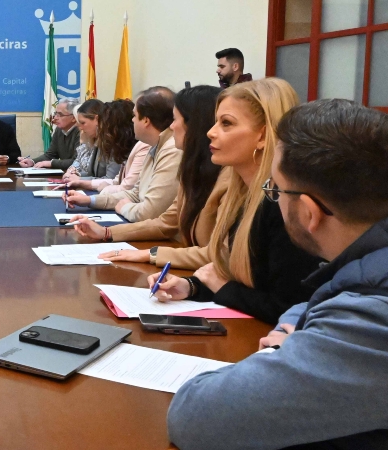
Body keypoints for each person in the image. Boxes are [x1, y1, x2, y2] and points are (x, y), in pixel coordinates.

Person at [169, 99, 388, 450]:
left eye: (277, 190)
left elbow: (195, 418)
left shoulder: (372, 322)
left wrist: (275, 353)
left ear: (309, 212)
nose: (274, 198)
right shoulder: (368, 264)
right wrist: (295, 325)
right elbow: (319, 295)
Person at [147, 78, 323, 324]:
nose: (210, 131)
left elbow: (288, 307)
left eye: (226, 123)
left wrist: (222, 287)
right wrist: (190, 287)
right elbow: (238, 277)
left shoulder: (282, 204)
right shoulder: (242, 193)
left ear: (263, 136)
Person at [72, 85, 228, 270]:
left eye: (226, 123)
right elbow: (167, 222)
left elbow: (220, 255)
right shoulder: (191, 166)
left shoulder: (180, 154)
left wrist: (150, 253)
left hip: (197, 269)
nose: (171, 126)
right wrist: (106, 232)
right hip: (190, 266)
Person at [66, 87, 182, 223]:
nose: (132, 120)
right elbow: (134, 194)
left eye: (134, 116)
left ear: (146, 120)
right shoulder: (154, 145)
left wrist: (124, 208)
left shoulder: (171, 150)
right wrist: (89, 200)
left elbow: (149, 212)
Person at [62, 99, 140, 192]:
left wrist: (80, 180)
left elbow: (113, 181)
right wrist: (75, 176)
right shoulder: (101, 141)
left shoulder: (122, 145)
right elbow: (91, 173)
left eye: (104, 122)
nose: (101, 126)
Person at [18, 98, 80, 169]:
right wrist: (32, 162)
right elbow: (50, 155)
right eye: (55, 113)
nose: (55, 118)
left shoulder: (81, 132)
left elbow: (77, 162)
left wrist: (51, 163)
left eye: (60, 114)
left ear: (74, 117)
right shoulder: (59, 130)